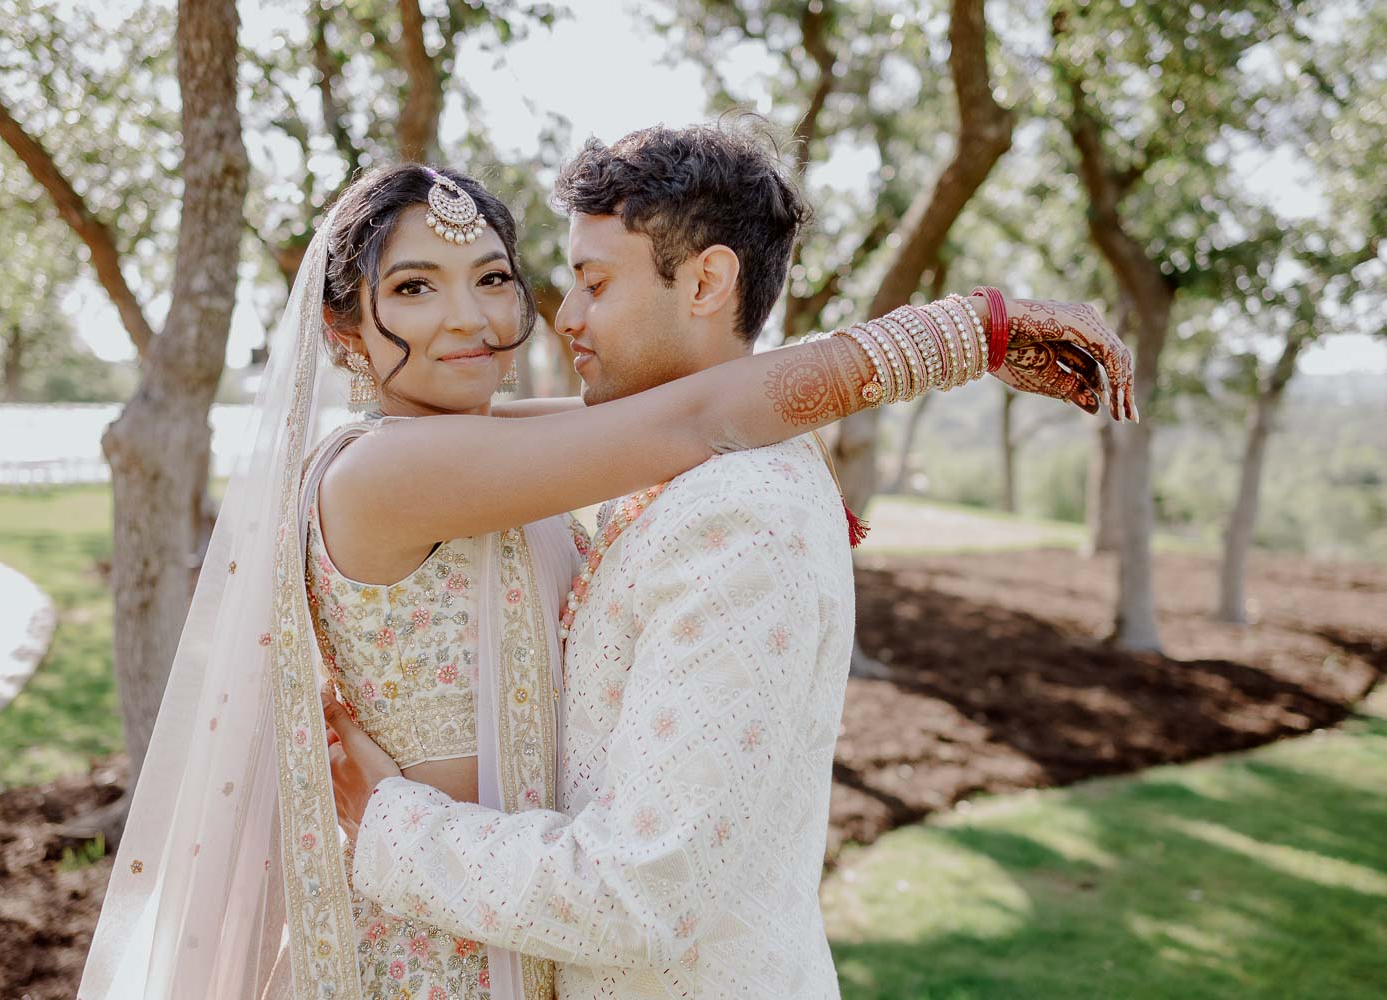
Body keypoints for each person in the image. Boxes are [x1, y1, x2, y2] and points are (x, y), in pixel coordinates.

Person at [80, 131, 1134, 1000]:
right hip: (419, 957)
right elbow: (700, 412)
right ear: (343, 325)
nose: (478, 317)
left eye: (496, 278)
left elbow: (687, 411)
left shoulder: (510, 447)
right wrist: (967, 333)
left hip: (507, 936)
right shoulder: (381, 473)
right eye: (414, 287)